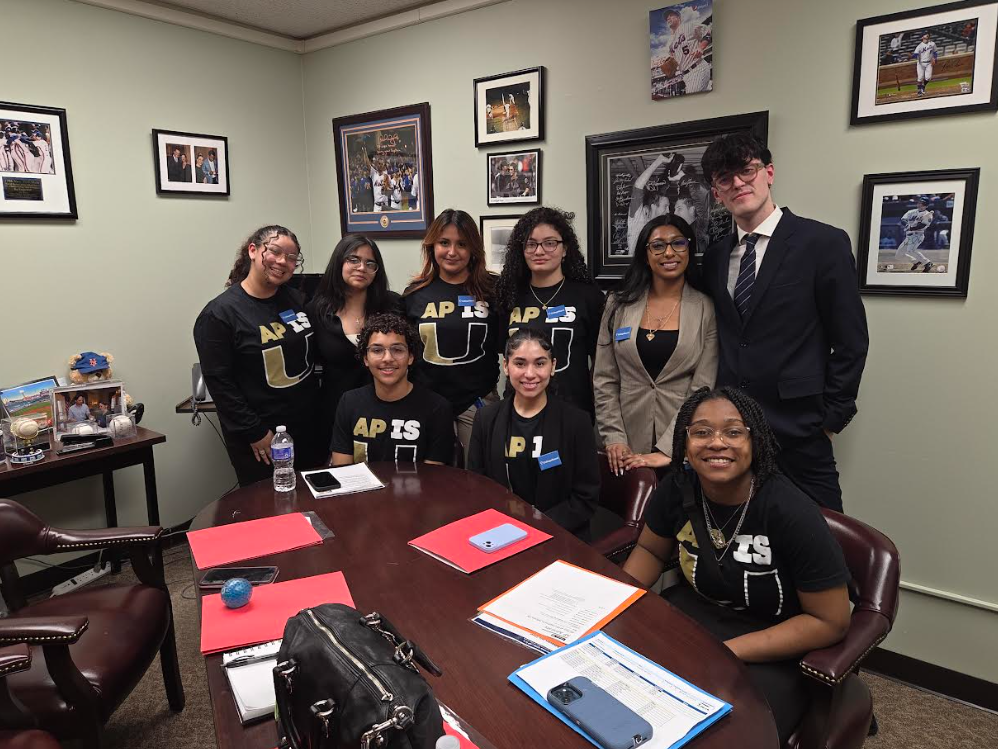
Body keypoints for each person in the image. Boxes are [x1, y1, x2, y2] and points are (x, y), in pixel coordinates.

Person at [622, 386, 850, 743]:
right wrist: (612, 605)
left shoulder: (789, 510)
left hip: (772, 646)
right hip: (692, 620)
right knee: (622, 700)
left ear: (754, 441)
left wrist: (726, 652)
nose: (716, 443)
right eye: (701, 432)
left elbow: (830, 621)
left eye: (732, 431)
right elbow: (651, 552)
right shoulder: (677, 489)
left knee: (719, 736)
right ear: (685, 443)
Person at [699, 133, 868, 512]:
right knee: (743, 539)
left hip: (800, 429)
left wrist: (831, 419)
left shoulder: (821, 243)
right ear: (717, 193)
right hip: (731, 431)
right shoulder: (714, 258)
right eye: (725, 178)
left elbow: (851, 339)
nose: (739, 183)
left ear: (769, 172)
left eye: (747, 171)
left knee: (825, 543)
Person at [193, 225, 324, 487]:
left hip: (308, 427)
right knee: (271, 508)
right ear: (253, 250)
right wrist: (254, 431)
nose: (283, 262)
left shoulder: (296, 299)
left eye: (291, 257)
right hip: (262, 436)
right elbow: (221, 384)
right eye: (275, 251)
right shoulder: (220, 315)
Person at [594, 214, 717, 474]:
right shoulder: (618, 304)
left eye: (678, 243)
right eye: (658, 245)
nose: (668, 253)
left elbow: (701, 387)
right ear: (645, 254)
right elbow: (605, 378)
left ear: (689, 249)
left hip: (682, 443)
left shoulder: (706, 308)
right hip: (624, 445)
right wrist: (614, 438)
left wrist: (670, 448)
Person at [469, 329, 599, 538]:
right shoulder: (486, 419)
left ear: (553, 366)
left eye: (540, 363)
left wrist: (536, 527)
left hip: (560, 534)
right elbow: (477, 487)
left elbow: (586, 497)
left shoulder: (577, 422)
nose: (530, 374)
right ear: (506, 367)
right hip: (500, 532)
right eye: (520, 363)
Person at [403, 209, 502, 460]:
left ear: (473, 250)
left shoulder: (493, 289)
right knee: (433, 481)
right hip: (427, 402)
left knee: (479, 479)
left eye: (462, 244)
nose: (452, 252)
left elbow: (508, 345)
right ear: (432, 246)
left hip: (477, 401)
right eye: (444, 243)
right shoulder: (415, 293)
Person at [494, 207, 605, 420]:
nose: (539, 251)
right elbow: (505, 356)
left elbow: (601, 365)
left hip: (573, 411)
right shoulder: (508, 296)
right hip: (518, 413)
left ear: (565, 249)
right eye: (531, 244)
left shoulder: (588, 297)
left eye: (550, 243)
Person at [309, 234, 402, 451]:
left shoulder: (393, 305)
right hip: (336, 412)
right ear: (339, 262)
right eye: (353, 260)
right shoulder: (317, 310)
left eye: (370, 263)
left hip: (389, 409)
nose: (362, 267)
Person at [330, 313, 453, 466]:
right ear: (366, 358)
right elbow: (342, 471)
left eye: (398, 350)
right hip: (362, 490)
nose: (387, 358)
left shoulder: (437, 408)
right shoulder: (349, 402)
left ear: (411, 357)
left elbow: (434, 479)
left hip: (418, 490)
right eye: (377, 350)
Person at [664, 7, 712, 95]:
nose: (668, 18)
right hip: (685, 75)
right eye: (667, 17)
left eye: (671, 15)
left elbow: (707, 33)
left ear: (678, 18)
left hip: (697, 68)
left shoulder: (689, 26)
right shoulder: (670, 43)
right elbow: (675, 62)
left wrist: (700, 48)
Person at [896, 196, 934, 271]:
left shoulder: (928, 215)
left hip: (918, 235)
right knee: (898, 255)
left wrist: (911, 228)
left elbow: (922, 225)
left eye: (922, 203)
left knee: (911, 250)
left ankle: (927, 262)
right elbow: (903, 219)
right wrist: (907, 225)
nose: (920, 204)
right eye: (919, 203)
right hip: (909, 236)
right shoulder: (911, 212)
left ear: (926, 205)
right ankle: (916, 262)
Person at [912, 32, 938, 96]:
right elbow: (915, 54)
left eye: (927, 36)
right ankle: (919, 91)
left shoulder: (932, 44)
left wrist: (935, 58)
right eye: (925, 36)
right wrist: (914, 56)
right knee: (920, 78)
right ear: (922, 38)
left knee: (928, 78)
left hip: (929, 63)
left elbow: (935, 52)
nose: (926, 37)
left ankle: (923, 86)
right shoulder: (919, 46)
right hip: (920, 64)